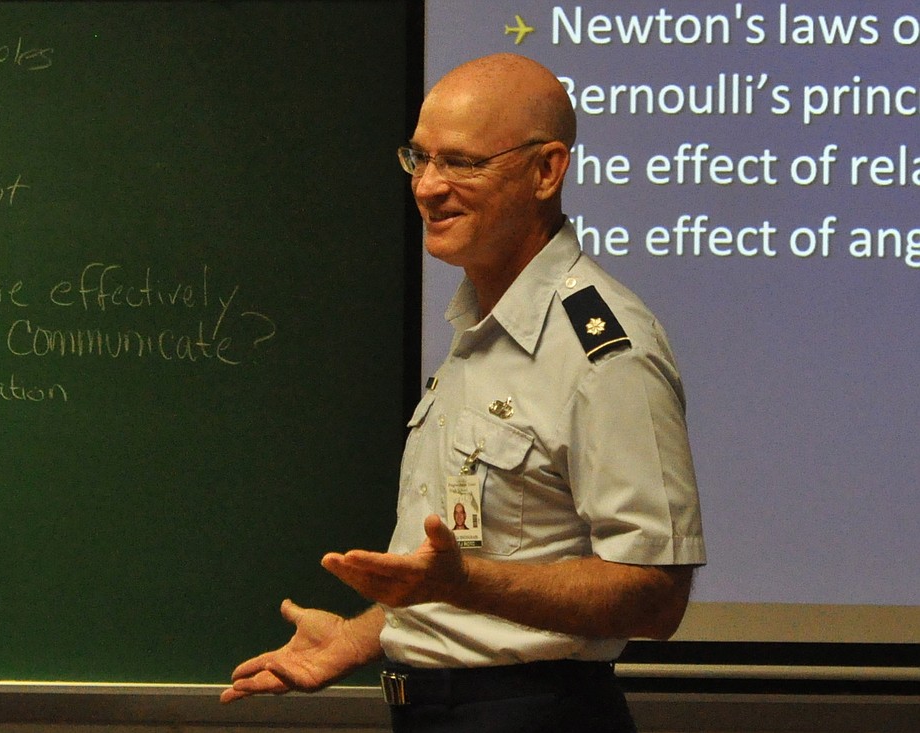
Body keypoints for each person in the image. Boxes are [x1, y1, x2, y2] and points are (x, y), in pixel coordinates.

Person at [220, 53, 706, 732]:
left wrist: (465, 582)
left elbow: (656, 595)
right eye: (419, 158)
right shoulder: (478, 323)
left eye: (463, 163)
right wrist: (361, 636)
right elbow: (487, 551)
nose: (427, 187)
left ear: (547, 170)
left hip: (537, 716)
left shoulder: (604, 347)